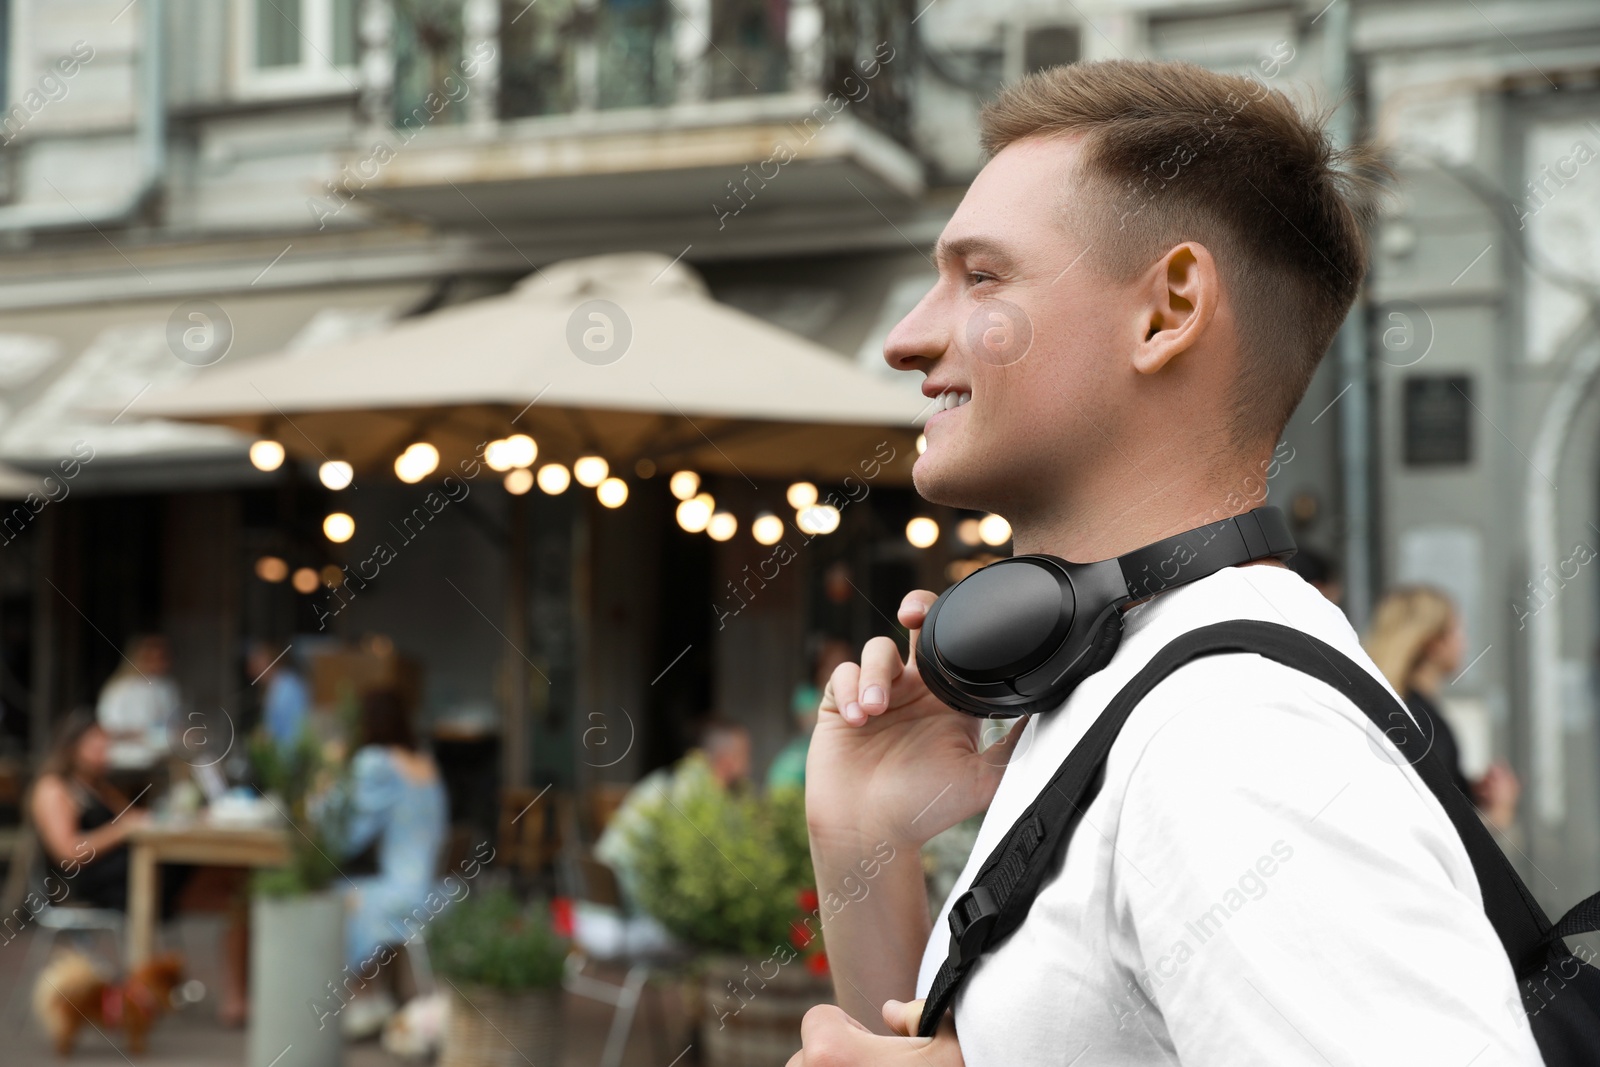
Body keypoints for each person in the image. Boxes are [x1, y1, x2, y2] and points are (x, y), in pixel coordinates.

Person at [795, 60, 1543, 1066]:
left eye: (980, 276)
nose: (904, 338)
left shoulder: (1235, 735)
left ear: (1168, 308)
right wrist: (868, 839)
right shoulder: (1134, 676)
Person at [324, 688, 447, 1036]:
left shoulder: (377, 762)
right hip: (436, 888)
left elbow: (340, 835)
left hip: (404, 893)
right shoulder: (423, 759)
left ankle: (365, 999)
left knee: (330, 894)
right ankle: (378, 996)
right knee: (355, 886)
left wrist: (330, 772)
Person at [1365, 586, 1520, 831]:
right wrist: (1498, 816)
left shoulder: (1391, 709)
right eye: (1459, 631)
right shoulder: (1422, 722)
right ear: (1433, 643)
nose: (1465, 643)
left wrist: (1467, 791)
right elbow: (1439, 829)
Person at [596, 719, 750, 908]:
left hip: (610, 887)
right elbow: (694, 864)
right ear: (727, 760)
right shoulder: (696, 792)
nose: (748, 766)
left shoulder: (675, 777)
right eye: (746, 756)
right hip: (632, 898)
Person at [768, 638, 852, 791]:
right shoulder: (805, 693)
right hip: (809, 749)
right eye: (832, 662)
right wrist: (826, 688)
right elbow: (808, 725)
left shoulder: (854, 693)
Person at [96, 635, 179, 771]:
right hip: (128, 760)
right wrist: (146, 735)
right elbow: (108, 729)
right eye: (151, 659)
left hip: (162, 758)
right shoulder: (120, 689)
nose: (158, 663)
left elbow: (173, 723)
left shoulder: (167, 688)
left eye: (162, 658)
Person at [246, 639, 311, 751]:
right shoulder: (279, 685)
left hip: (289, 755)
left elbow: (286, 730)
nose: (254, 674)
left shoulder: (285, 688)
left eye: (257, 666)